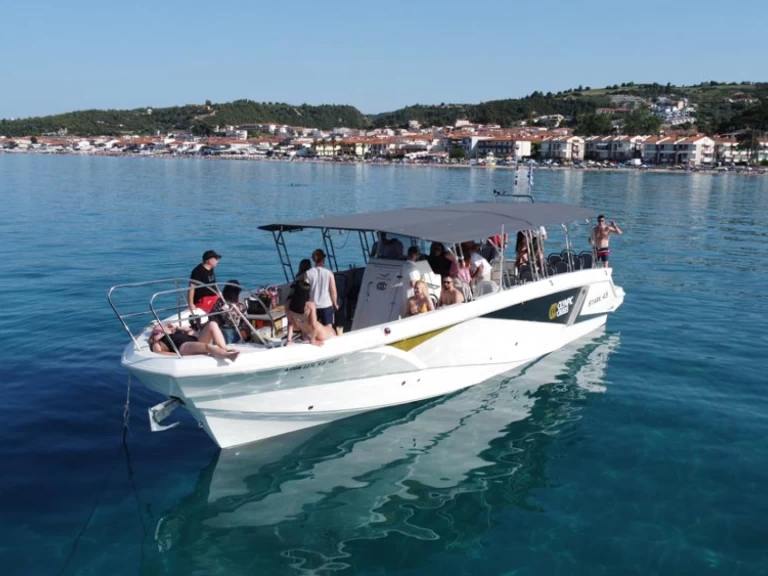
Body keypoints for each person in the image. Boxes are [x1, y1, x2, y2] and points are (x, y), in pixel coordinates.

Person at [149, 321, 240, 360]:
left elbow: (190, 331)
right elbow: (158, 352)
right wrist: (176, 354)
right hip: (184, 347)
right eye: (156, 333)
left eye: (161, 330)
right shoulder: (159, 342)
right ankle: (227, 355)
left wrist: (177, 327)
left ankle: (224, 348)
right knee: (208, 347)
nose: (158, 333)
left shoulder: (177, 333)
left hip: (196, 341)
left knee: (212, 324)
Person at [286, 280, 335, 346]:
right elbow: (313, 325)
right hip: (318, 333)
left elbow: (290, 323)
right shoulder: (310, 306)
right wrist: (313, 340)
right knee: (332, 331)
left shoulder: (288, 304)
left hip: (305, 334)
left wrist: (289, 340)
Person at [305, 249, 338, 327]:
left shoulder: (308, 273)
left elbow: (306, 290)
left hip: (313, 305)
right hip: (326, 305)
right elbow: (333, 290)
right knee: (328, 329)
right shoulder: (329, 273)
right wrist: (335, 303)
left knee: (314, 328)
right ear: (323, 259)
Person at [188, 250, 221, 315]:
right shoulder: (198, 271)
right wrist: (191, 304)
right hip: (203, 300)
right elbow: (191, 288)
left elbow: (214, 283)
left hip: (214, 297)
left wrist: (218, 293)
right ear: (210, 260)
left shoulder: (211, 269)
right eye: (216, 259)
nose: (218, 261)